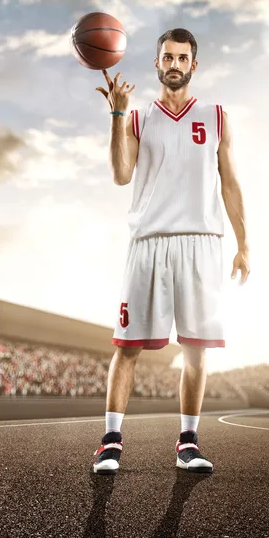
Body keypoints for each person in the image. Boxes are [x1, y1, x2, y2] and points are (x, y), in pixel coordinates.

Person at [93, 28, 250, 475]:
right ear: (157, 63)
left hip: (201, 243)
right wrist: (117, 116)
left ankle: (187, 443)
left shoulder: (216, 116)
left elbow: (230, 181)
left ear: (193, 65)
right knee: (127, 346)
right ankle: (110, 442)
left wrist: (244, 244)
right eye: (168, 57)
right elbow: (122, 175)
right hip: (149, 243)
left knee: (197, 349)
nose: (175, 64)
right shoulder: (140, 118)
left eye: (183, 57)